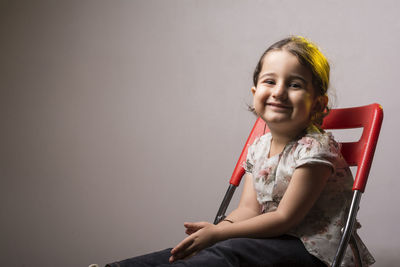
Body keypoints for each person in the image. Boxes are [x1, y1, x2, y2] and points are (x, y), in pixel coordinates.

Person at [106, 36, 375, 267]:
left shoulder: (316, 149)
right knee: (198, 250)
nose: (279, 92)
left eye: (295, 85)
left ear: (318, 103)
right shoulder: (259, 147)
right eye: (270, 81)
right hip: (269, 242)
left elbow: (284, 219)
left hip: (314, 251)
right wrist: (216, 230)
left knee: (228, 251)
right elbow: (248, 209)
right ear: (255, 90)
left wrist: (220, 236)